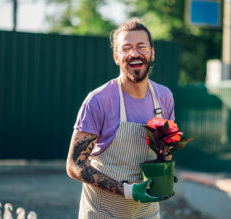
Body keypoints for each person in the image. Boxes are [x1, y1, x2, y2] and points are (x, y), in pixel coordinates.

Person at [66, 18, 175, 219]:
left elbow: (165, 150)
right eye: (126, 48)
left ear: (152, 52)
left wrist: (165, 172)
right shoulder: (99, 100)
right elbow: (75, 165)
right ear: (117, 57)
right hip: (102, 213)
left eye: (141, 47)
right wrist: (128, 191)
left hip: (147, 213)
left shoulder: (164, 97)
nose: (134, 53)